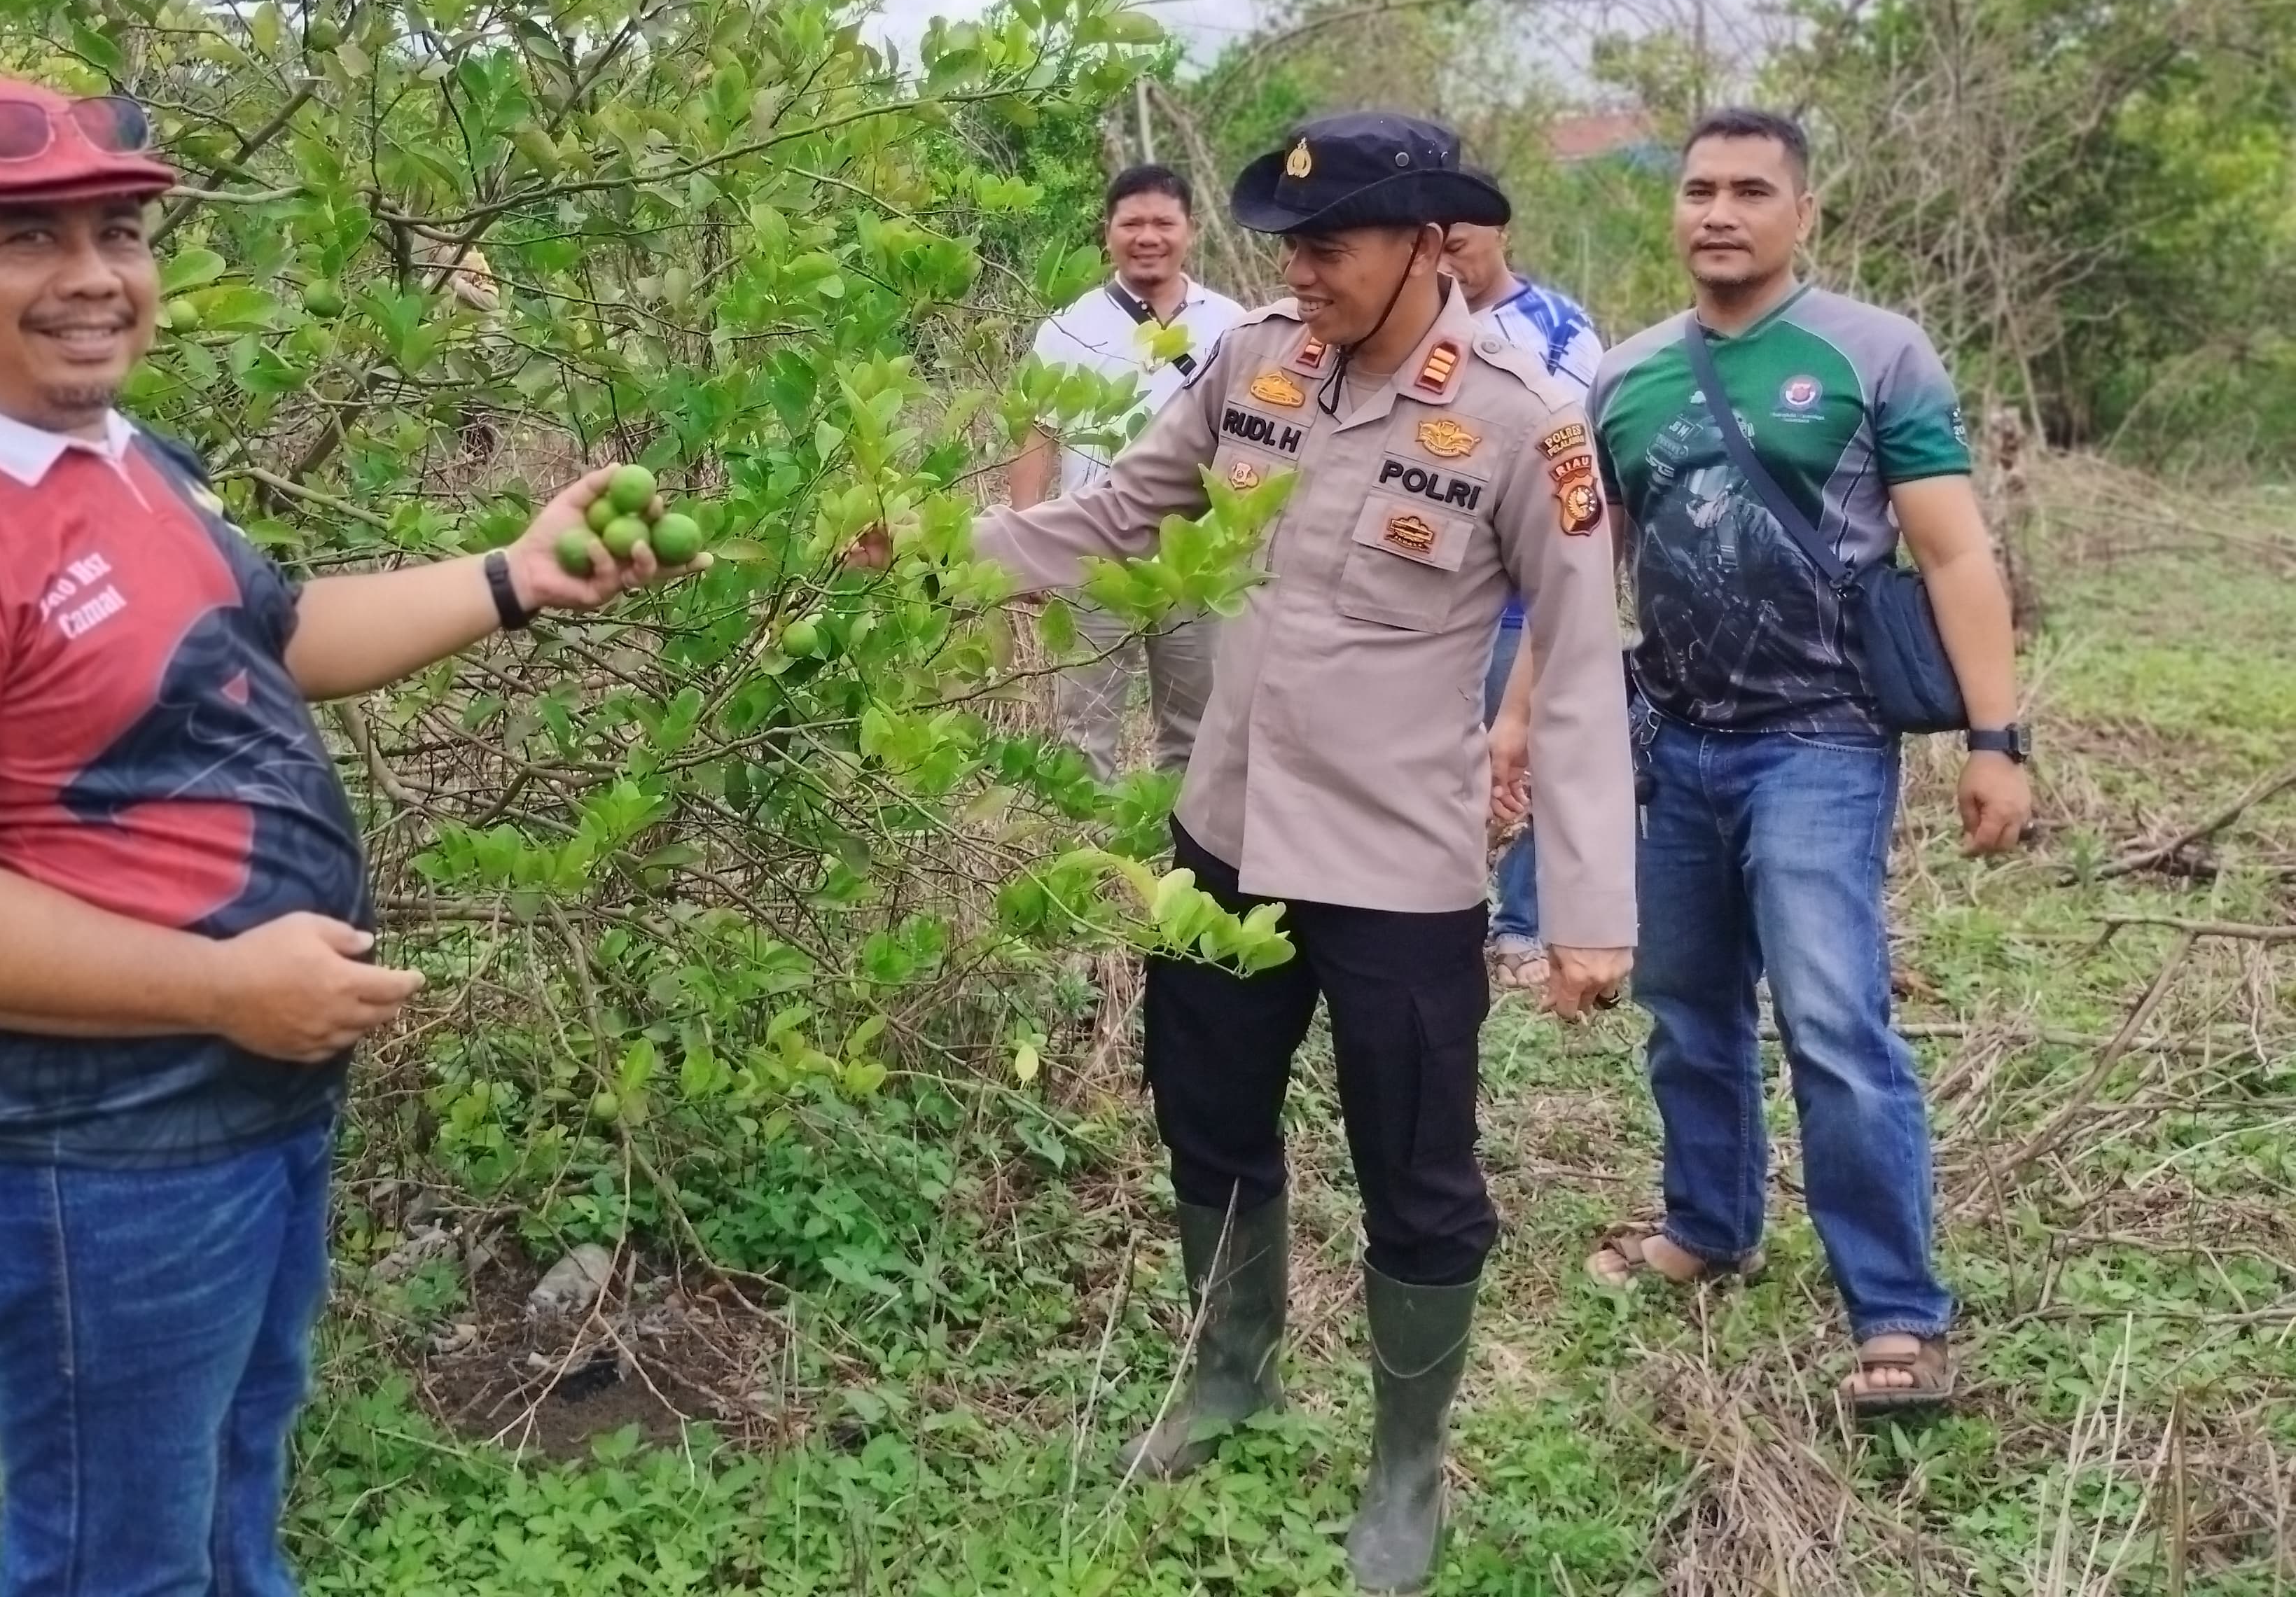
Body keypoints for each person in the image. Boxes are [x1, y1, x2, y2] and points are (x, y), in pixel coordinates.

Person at [0, 76, 697, 1595]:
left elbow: (275, 634)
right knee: (111, 1560)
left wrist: (512, 576)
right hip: (80, 1150)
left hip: (232, 1108)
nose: (93, 277)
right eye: (28, 238)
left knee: (231, 1477)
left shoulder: (119, 456)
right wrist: (222, 986)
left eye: (118, 233)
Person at [858, 111, 1636, 1592]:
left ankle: (1405, 1469)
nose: (1300, 272)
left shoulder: (1524, 421)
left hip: (1397, 868)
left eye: (1330, 246)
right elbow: (1113, 513)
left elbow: (1585, 664)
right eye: (1287, 247)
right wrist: (940, 549)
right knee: (1204, 1116)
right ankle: (1230, 1376)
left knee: (1416, 1174)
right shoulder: (1250, 364)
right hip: (1222, 833)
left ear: (1425, 243)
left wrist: (1591, 909)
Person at [1504, 106, 2029, 1421]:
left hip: (1822, 742)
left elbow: (1956, 552)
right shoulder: (1624, 378)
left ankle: (1897, 1313)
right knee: (1687, 1007)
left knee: (1835, 1022)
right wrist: (1517, 724)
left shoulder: (1874, 354)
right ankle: (1708, 1226)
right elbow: (1577, 577)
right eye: (1699, 191)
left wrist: (1996, 739)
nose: (1720, 213)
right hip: (1675, 742)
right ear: (1674, 211)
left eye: (1750, 191)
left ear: (1804, 213)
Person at [1008, 162, 1249, 781]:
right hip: (1095, 549)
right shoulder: (1069, 325)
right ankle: (1087, 841)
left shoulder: (1234, 325)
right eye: (1132, 223)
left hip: (1196, 555)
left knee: (1196, 729)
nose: (1148, 237)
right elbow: (1038, 434)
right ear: (1108, 231)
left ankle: (1176, 843)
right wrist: (1029, 539)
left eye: (1163, 223)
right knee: (1084, 728)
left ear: (1191, 230)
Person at [1438, 208, 1601, 993]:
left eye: (1460, 247)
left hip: (1519, 595)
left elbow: (1577, 457)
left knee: (1527, 756)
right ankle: (1446, 912)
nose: (1447, 266)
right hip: (1435, 588)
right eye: (1433, 250)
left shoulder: (1560, 331)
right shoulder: (1411, 325)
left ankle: (1523, 923)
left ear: (1503, 234)